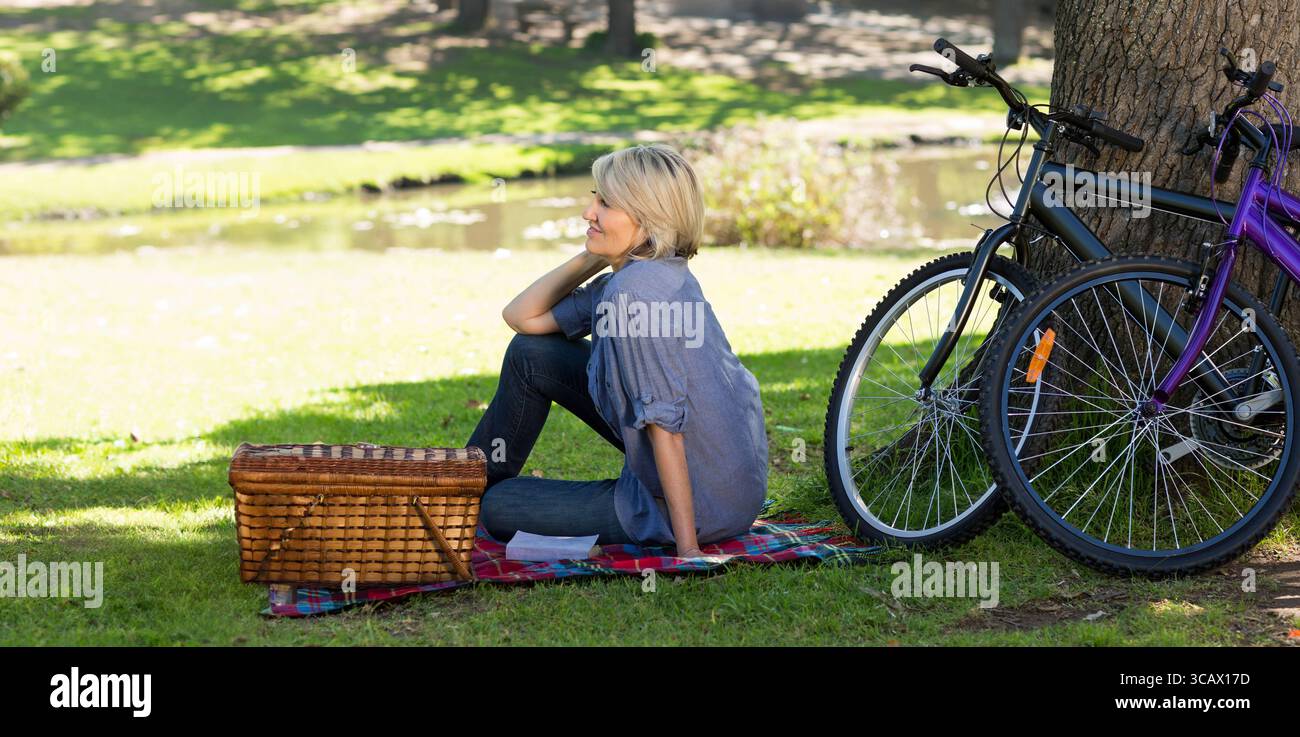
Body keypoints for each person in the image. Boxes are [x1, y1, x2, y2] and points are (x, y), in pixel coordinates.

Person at [467, 143, 768, 558]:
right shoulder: (641, 277)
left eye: (606, 204)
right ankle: (462, 487)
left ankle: (466, 499)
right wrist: (597, 253)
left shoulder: (634, 296)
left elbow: (665, 422)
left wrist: (688, 548)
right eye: (596, 197)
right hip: (729, 488)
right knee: (530, 353)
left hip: (696, 506)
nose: (589, 212)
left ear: (648, 220)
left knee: (496, 508)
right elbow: (522, 318)